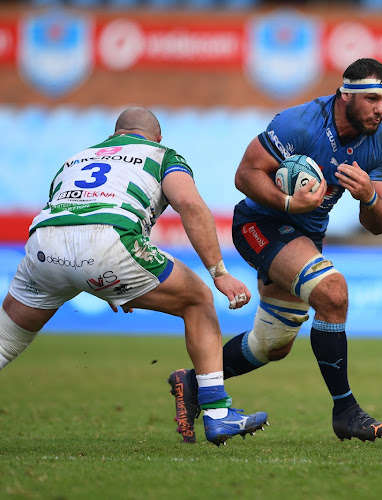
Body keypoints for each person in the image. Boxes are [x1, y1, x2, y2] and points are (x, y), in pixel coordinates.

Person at [0, 107, 267, 446]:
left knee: (6, 338)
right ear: (157, 137)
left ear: (114, 135)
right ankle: (217, 413)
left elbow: (71, 217)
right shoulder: (162, 155)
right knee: (197, 299)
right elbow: (190, 204)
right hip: (108, 243)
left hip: (43, 242)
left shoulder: (75, 159)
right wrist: (219, 272)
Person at [167, 58, 382, 443]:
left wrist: (370, 197)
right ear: (346, 94)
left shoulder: (381, 145)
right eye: (372, 98)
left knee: (270, 346)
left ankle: (192, 383)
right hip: (261, 224)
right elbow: (245, 174)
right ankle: (346, 410)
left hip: (304, 236)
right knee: (333, 292)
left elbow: (380, 222)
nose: (380, 109)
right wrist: (289, 204)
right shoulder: (301, 123)